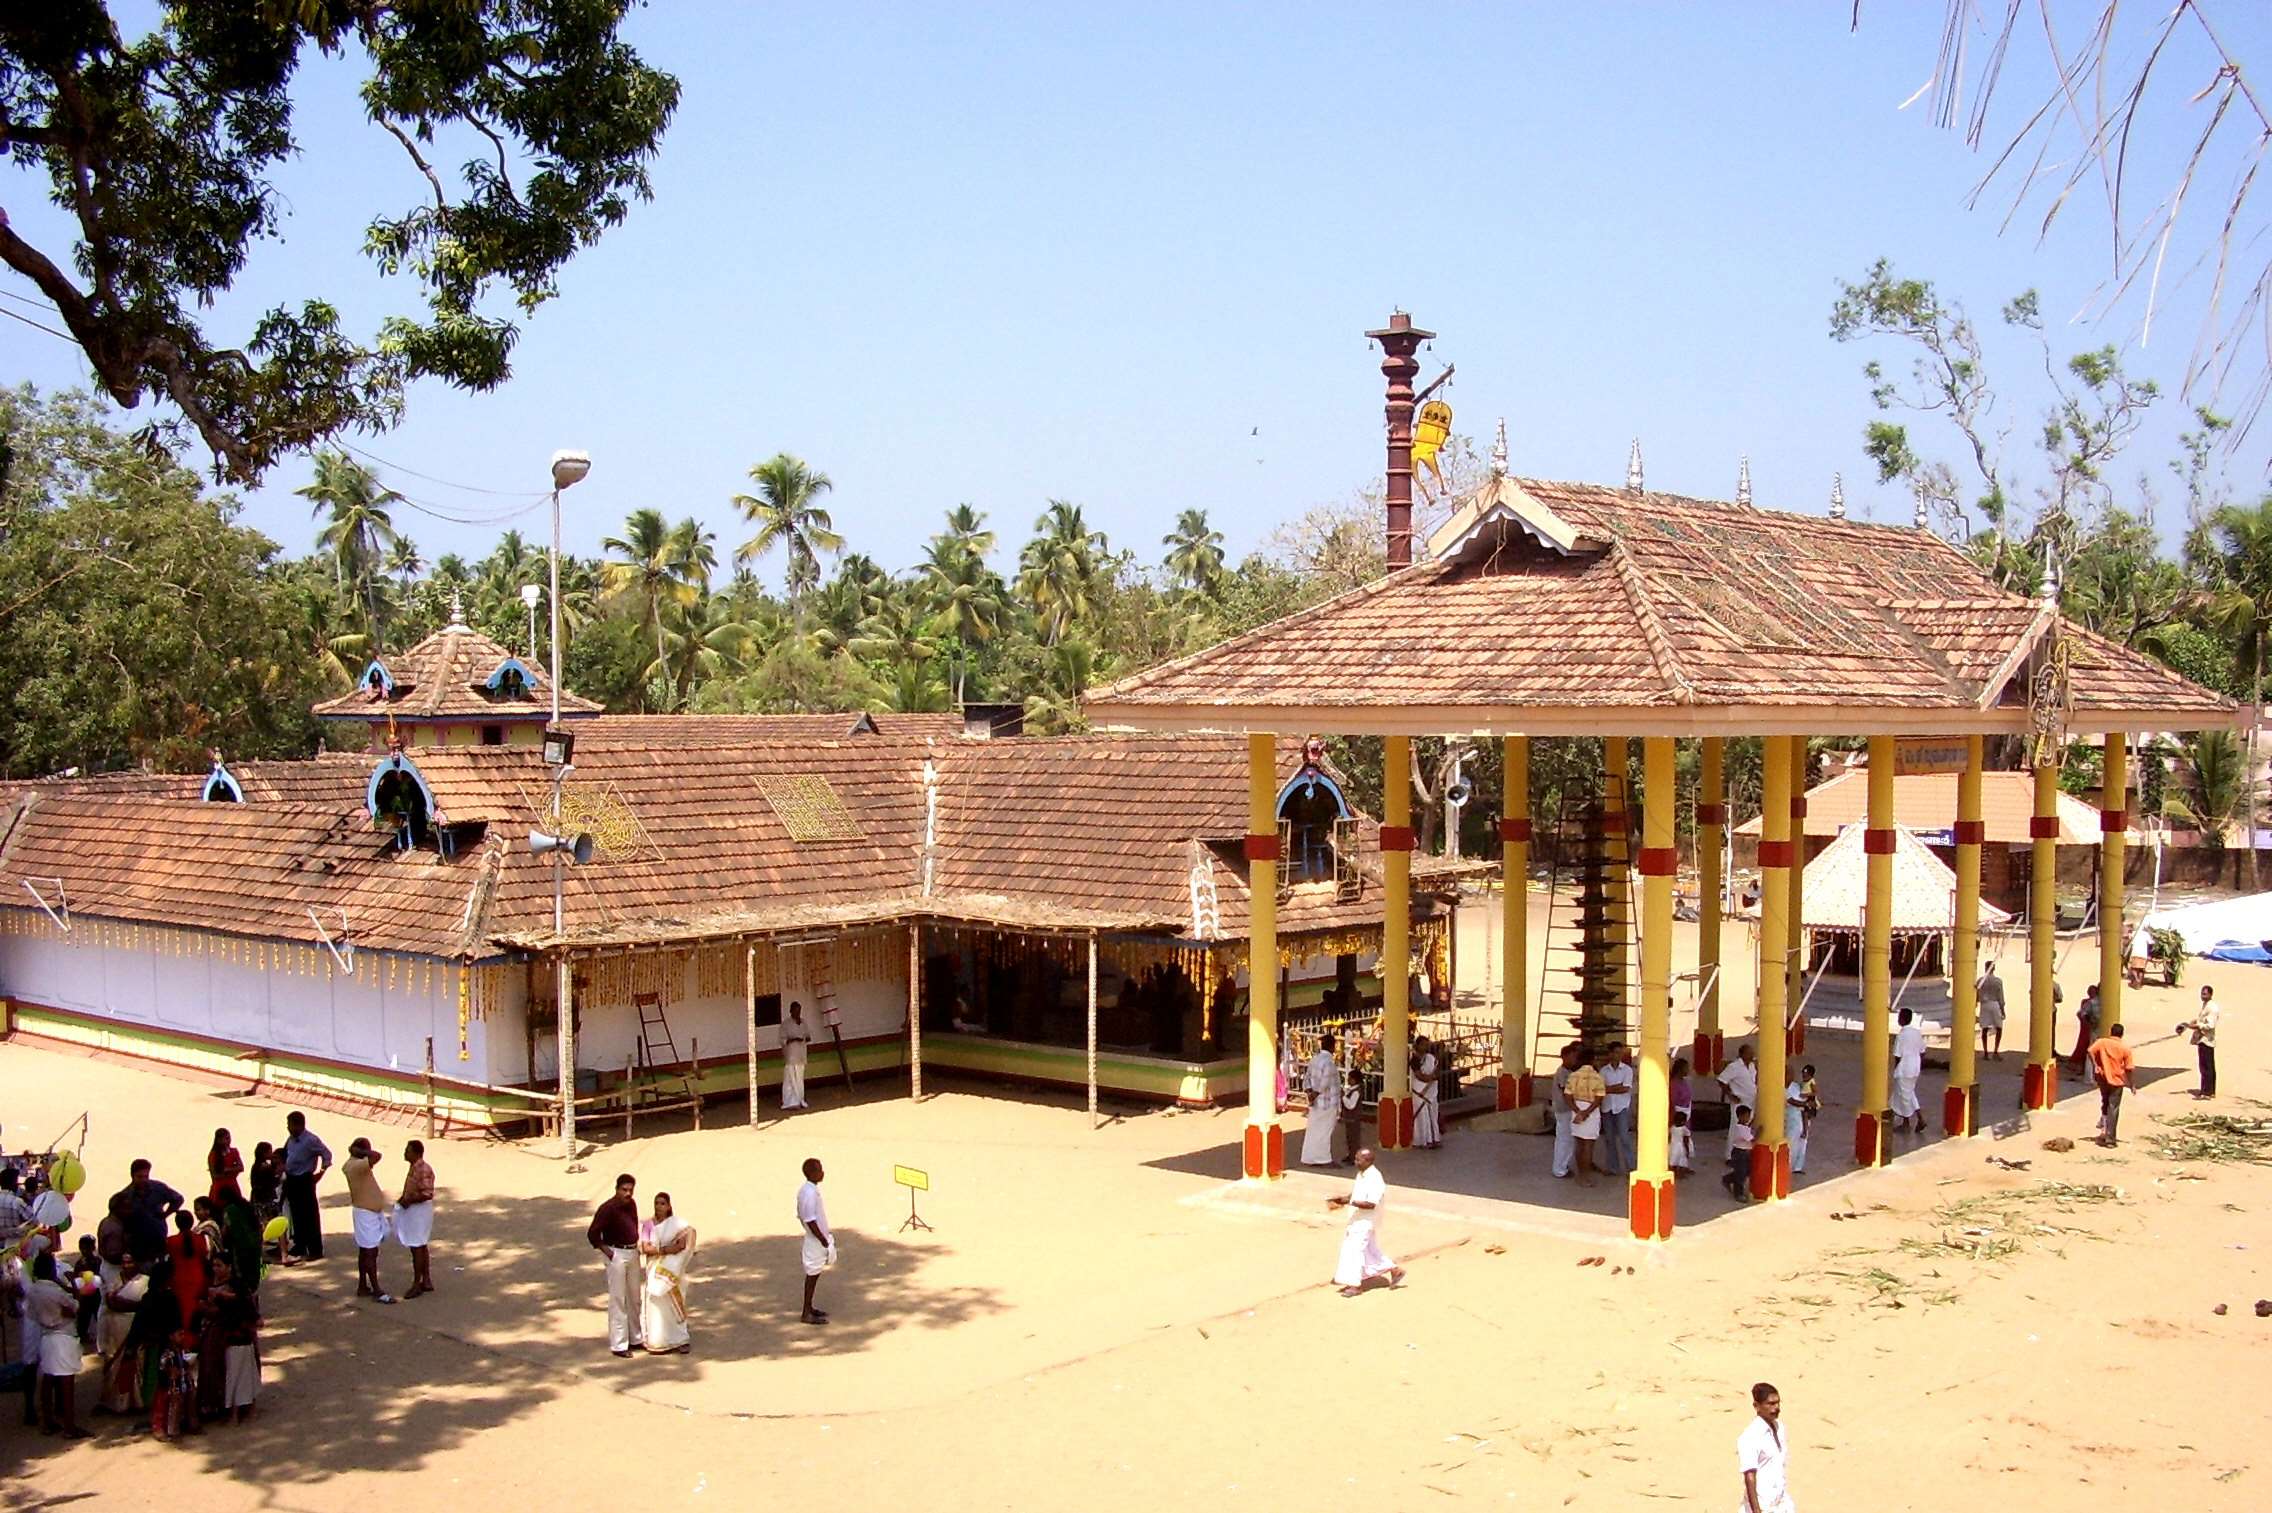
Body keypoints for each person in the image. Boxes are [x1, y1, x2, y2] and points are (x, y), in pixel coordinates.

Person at [1327, 1148, 1404, 1296]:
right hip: (1357, 1219)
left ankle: (1355, 1285)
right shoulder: (1361, 1174)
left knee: (1354, 1251)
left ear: (1368, 1161)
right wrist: (1343, 1200)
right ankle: (1395, 1270)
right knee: (1370, 1250)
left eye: (1358, 1160)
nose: (1355, 1162)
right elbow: (1356, 1193)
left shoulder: (1375, 1178)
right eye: (1355, 1159)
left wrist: (1350, 1201)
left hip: (1366, 1221)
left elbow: (1371, 1204)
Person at [27, 1250, 87, 1438]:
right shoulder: (55, 1291)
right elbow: (74, 1309)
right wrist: (75, 1290)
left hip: (46, 1336)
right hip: (63, 1336)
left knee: (48, 1379)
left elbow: (31, 1314)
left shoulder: (33, 1290)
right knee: (67, 1382)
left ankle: (48, 1422)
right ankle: (69, 1427)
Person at [586, 1173, 642, 1357]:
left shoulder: (631, 1205)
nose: (627, 1194)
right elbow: (593, 1233)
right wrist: (606, 1250)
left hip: (632, 1252)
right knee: (618, 1298)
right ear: (617, 1189)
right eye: (624, 1190)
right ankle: (619, 1344)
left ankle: (636, 1337)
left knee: (634, 1296)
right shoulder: (607, 1208)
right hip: (616, 1253)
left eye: (630, 1190)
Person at [199, 1253, 260, 1423]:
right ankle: (219, 1407)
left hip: (235, 1335)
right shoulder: (210, 1285)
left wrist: (222, 1299)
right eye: (214, 1266)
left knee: (239, 1372)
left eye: (219, 1265)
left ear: (229, 1267)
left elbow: (246, 1306)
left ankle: (243, 1408)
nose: (216, 1269)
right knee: (214, 1369)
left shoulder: (237, 1286)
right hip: (214, 1335)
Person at [638, 1191, 696, 1354]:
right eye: (656, 1203)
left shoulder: (677, 1224)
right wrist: (665, 1250)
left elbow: (684, 1243)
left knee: (675, 1304)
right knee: (656, 1304)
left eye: (662, 1203)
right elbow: (645, 1247)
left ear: (669, 1206)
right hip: (655, 1271)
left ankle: (680, 1340)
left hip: (673, 1272)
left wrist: (673, 1255)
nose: (659, 1206)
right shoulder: (648, 1225)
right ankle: (658, 1341)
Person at [341, 1138, 395, 1304]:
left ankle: (363, 1285)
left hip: (369, 1212)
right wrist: (364, 1152)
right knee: (370, 1251)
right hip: (366, 1213)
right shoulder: (356, 1165)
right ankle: (376, 1289)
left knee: (366, 1250)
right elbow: (377, 1156)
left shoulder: (353, 1165)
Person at [95, 1257, 148, 1415]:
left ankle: (135, 1402)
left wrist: (122, 1303)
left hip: (135, 1327)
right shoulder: (115, 1280)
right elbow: (110, 1302)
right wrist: (129, 1304)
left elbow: (143, 1305)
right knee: (113, 1364)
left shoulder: (145, 1281)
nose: (126, 1265)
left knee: (135, 1364)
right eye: (124, 1262)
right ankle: (114, 1403)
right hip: (114, 1329)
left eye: (130, 1262)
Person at [280, 1111, 331, 1262]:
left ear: (299, 1125)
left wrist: (321, 1172)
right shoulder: (291, 1140)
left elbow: (326, 1154)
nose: (288, 1128)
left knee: (310, 1215)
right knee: (296, 1215)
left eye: (290, 1125)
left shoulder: (311, 1140)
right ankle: (300, 1244)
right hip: (292, 1179)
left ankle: (315, 1249)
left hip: (304, 1180)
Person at [1738, 1381, 1794, 1513]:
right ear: (1756, 1406)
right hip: (1762, 1506)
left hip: (1781, 1503)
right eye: (1771, 1404)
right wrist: (1757, 1511)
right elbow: (1749, 1476)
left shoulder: (1779, 1428)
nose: (1776, 1407)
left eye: (1778, 1403)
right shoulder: (1750, 1436)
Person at [117, 1157, 184, 1265]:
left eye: (146, 1176)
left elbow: (178, 1199)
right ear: (132, 1176)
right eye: (139, 1177)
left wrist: (166, 1214)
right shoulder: (126, 1196)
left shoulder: (158, 1188)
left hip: (159, 1240)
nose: (144, 1180)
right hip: (138, 1246)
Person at [395, 1138, 437, 1298]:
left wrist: (409, 1200)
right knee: (420, 1245)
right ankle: (425, 1279)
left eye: (408, 1150)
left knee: (416, 1246)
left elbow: (427, 1194)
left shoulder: (423, 1169)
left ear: (416, 1153)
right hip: (415, 1209)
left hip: (418, 1211)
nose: (405, 1153)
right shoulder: (414, 1167)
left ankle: (417, 1283)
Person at [797, 1157, 834, 1325]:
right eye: (819, 1170)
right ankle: (806, 1312)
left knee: (814, 1273)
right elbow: (810, 1220)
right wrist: (822, 1239)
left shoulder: (807, 1190)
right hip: (815, 1240)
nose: (822, 1172)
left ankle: (809, 1307)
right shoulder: (810, 1194)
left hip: (816, 1238)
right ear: (812, 1173)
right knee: (812, 1274)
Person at [2086, 1021, 2135, 1147]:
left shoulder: (2102, 1042)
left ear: (2110, 1032)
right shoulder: (2125, 1049)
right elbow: (2129, 1069)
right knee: (2113, 1108)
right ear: (2122, 1035)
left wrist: (2096, 1066)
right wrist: (2132, 1084)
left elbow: (2090, 1051)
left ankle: (2103, 1128)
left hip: (2103, 1079)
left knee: (2105, 1102)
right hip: (2117, 1081)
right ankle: (2110, 1139)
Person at [1566, 1047, 1607, 1188]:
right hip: (1591, 1111)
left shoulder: (1573, 1075)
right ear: (1592, 1059)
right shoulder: (1598, 1076)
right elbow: (1599, 1098)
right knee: (1588, 1146)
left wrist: (1578, 1111)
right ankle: (1586, 1177)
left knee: (1579, 1144)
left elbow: (1567, 1095)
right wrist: (1587, 1112)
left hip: (1577, 1108)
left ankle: (1580, 1175)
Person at [1301, 1034, 1342, 1165]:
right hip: (1328, 1103)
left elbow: (1306, 1078)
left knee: (1313, 1130)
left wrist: (1309, 1093)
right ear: (1332, 1046)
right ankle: (1324, 1159)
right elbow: (1324, 1083)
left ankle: (1309, 1157)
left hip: (1315, 1103)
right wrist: (1315, 1093)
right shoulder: (1328, 1062)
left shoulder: (1315, 1059)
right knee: (1325, 1132)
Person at [165, 1208, 209, 1320]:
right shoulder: (201, 1239)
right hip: (198, 1276)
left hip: (178, 1278)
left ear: (177, 1223)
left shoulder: (171, 1241)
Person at [1600, 1043, 1636, 1173]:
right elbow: (1601, 1089)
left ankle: (1631, 1166)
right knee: (1609, 1139)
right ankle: (1613, 1167)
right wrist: (1616, 1087)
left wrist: (1609, 1089)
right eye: (1615, 1052)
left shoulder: (1627, 1070)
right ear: (1610, 1054)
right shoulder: (1603, 1071)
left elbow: (1625, 1088)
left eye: (1620, 1052)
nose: (1618, 1055)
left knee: (1624, 1137)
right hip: (1607, 1107)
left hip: (1621, 1107)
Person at [1718, 1044, 1759, 1157]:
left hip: (1751, 1101)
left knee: (1747, 1127)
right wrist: (1730, 1095)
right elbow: (1722, 1080)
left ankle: (1744, 1152)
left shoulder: (1751, 1066)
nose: (1752, 1055)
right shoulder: (1734, 1067)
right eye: (1749, 1053)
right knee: (1735, 1128)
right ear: (1742, 1054)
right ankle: (1730, 1155)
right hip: (1739, 1102)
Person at [2180, 985, 2220, 1099]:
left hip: (2206, 1039)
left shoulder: (2212, 1008)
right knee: (2207, 1066)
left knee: (2206, 1066)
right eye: (2202, 994)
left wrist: (2197, 1025)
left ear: (2210, 994)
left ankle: (2206, 1092)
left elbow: (2210, 1025)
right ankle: (2209, 1090)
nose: (2202, 996)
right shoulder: (2206, 1006)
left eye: (2205, 994)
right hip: (2203, 1038)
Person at [1890, 1007, 1926, 1136]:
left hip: (1904, 1069)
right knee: (1908, 1093)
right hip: (1915, 1067)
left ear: (1903, 1019)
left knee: (1905, 1096)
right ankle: (1909, 1119)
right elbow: (1922, 1051)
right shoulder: (1917, 1033)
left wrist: (1896, 1068)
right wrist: (1918, 1063)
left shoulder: (1901, 1035)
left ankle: (1909, 1122)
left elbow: (1897, 1055)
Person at [1550, 1042, 1580, 1179]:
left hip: (1566, 1110)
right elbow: (1566, 1092)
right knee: (1564, 1140)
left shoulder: (1569, 1072)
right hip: (1564, 1110)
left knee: (1567, 1140)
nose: (1575, 1060)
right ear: (1565, 1057)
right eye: (1573, 1057)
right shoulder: (1562, 1072)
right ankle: (1559, 1169)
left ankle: (1563, 1165)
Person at [1410, 1035, 1444, 1150]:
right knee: (1422, 1117)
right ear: (1418, 1045)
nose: (1425, 1047)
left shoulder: (1430, 1058)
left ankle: (1435, 1139)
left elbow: (1437, 1072)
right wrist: (1430, 1078)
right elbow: (1419, 1076)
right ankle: (1424, 1140)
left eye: (1427, 1045)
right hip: (1419, 1092)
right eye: (1423, 1044)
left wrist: (1434, 1076)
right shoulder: (1414, 1059)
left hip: (1431, 1092)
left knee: (1433, 1115)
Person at [780, 1001, 812, 1111]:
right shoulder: (785, 1024)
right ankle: (789, 1102)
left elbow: (808, 1037)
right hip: (791, 1056)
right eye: (795, 1011)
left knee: (799, 1080)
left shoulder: (803, 1023)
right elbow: (782, 1040)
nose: (797, 1013)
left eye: (799, 1011)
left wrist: (804, 1038)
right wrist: (793, 1039)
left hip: (801, 1055)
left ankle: (799, 1100)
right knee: (790, 1080)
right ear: (790, 1011)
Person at [247, 1141, 282, 1230]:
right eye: (270, 1151)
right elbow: (272, 1177)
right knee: (267, 1220)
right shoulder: (263, 1167)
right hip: (263, 1197)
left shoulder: (257, 1165)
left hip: (260, 1196)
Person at [1976, 961, 2006, 1060]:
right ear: (1994, 969)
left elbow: (1976, 995)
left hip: (1984, 1004)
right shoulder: (1998, 981)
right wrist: (2002, 1010)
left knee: (1984, 1028)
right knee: (1999, 1027)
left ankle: (1985, 1052)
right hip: (1995, 1004)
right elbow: (2000, 997)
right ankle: (1995, 1050)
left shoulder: (1980, 980)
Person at [206, 1127, 244, 1206]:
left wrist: (227, 1170)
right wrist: (233, 1170)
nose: (229, 1140)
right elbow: (215, 1175)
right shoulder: (213, 1155)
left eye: (229, 1138)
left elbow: (241, 1167)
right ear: (219, 1140)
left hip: (232, 1184)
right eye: (226, 1138)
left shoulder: (234, 1151)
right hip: (219, 1187)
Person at [1724, 1107, 1756, 1199]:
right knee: (1741, 1174)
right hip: (1740, 1153)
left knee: (1745, 1171)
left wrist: (1753, 1121)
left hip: (1744, 1152)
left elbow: (1747, 1129)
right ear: (1740, 1116)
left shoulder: (1743, 1127)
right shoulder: (1740, 1129)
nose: (1748, 1118)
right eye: (1747, 1116)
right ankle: (1738, 1194)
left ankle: (1728, 1179)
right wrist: (1760, 1132)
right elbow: (1753, 1140)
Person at [2071, 984, 2102, 1076]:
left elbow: (2081, 1014)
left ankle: (2090, 1075)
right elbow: (2081, 1014)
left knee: (2091, 1051)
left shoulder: (2090, 1002)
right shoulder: (2094, 1002)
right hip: (2095, 1028)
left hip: (2094, 1028)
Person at [1784, 1070, 1810, 1176]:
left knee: (1802, 1142)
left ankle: (1797, 1167)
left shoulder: (1795, 1086)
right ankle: (1788, 1166)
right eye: (1789, 1074)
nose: (1792, 1076)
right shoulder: (1782, 1088)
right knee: (1791, 1143)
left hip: (1801, 1116)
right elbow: (1792, 1101)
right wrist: (1806, 1104)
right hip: (1790, 1118)